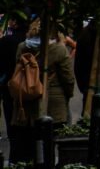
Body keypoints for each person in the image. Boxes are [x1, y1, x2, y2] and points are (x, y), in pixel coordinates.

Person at [8, 19, 76, 163]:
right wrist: (67, 96)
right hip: (52, 104)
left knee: (27, 145)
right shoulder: (59, 49)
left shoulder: (22, 47)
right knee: (48, 146)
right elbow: (68, 78)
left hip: (25, 103)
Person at [0, 16, 27, 141]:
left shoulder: (7, 41)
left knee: (12, 123)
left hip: (10, 87)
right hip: (30, 87)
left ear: (15, 22)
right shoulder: (30, 40)